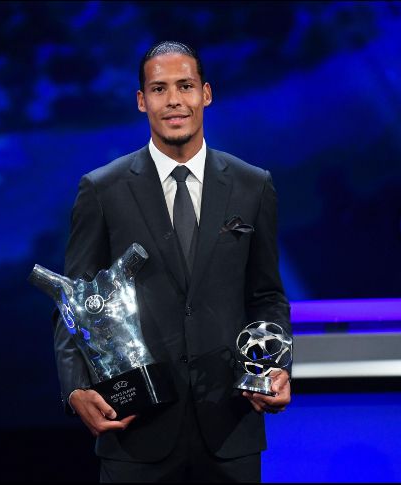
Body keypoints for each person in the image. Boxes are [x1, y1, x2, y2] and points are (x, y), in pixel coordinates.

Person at [52, 40, 292, 482]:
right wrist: (76, 390)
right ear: (142, 101)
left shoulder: (253, 185)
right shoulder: (102, 190)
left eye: (185, 86)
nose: (175, 100)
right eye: (159, 89)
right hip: (136, 429)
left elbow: (267, 296)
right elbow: (73, 302)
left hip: (229, 427)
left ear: (206, 93)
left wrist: (277, 367)